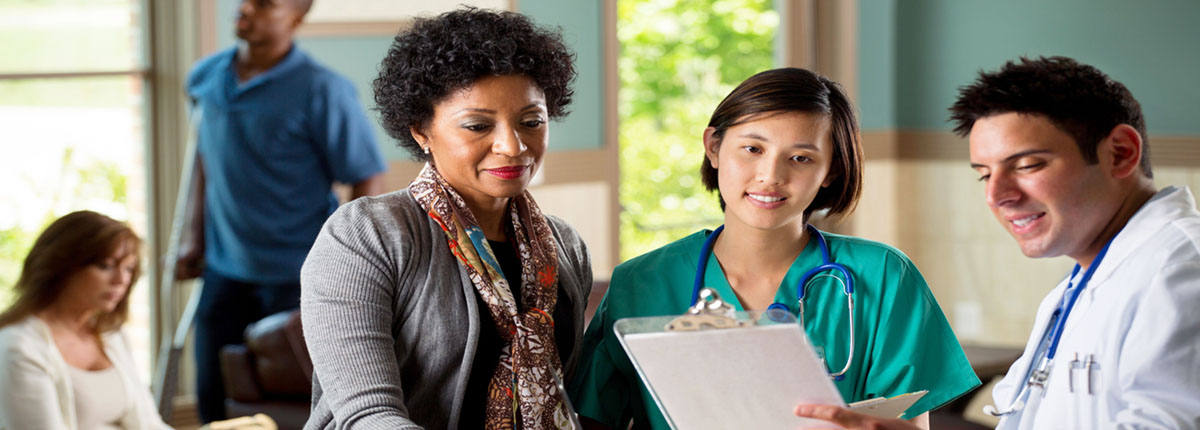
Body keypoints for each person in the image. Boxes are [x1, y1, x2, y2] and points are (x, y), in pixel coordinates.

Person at [797, 56, 1200, 429]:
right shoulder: (1088, 278)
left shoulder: (1181, 273)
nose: (997, 196)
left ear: (1121, 153)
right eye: (984, 174)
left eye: (1027, 165)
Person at [569, 68, 980, 429]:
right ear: (713, 146)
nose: (770, 175)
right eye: (753, 149)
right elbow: (594, 418)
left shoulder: (883, 275)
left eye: (800, 158)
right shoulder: (640, 282)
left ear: (831, 169)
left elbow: (908, 427)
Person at [300, 8, 592, 429]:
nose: (512, 146)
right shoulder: (366, 234)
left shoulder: (564, 246)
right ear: (422, 131)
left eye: (531, 122)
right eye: (477, 126)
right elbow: (367, 415)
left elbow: (573, 396)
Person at [178, 0, 388, 422]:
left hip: (296, 274)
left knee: (292, 403)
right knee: (214, 395)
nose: (245, 8)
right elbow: (204, 162)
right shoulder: (204, 78)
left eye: (265, 3)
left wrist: (343, 263)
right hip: (224, 268)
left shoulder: (324, 90)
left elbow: (367, 178)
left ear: (296, 17)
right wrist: (192, 236)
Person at [0, 211, 171, 429]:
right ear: (62, 266)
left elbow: (149, 423)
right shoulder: (18, 347)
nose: (121, 280)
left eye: (129, 269)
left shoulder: (111, 333)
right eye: (106, 265)